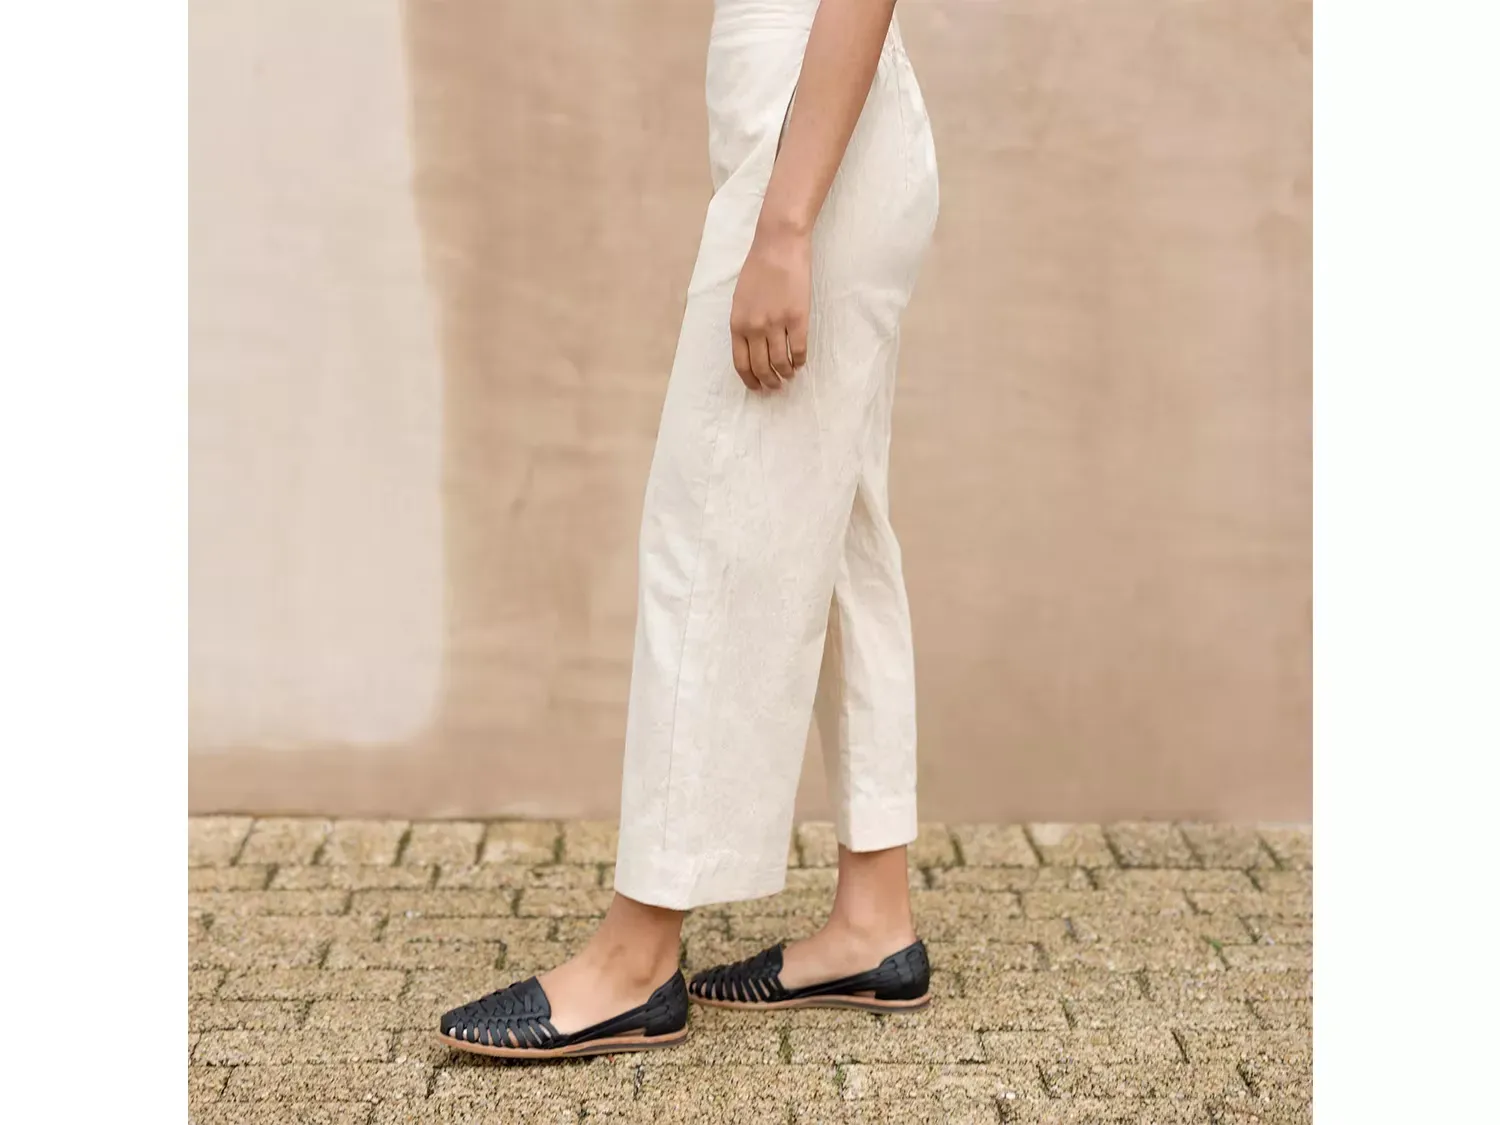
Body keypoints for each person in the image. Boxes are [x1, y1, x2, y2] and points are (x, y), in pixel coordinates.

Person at [439, 0, 939, 1058]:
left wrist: (786, 225)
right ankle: (873, 916)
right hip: (830, 126)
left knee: (706, 526)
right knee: (843, 534)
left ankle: (636, 957)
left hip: (810, 140)